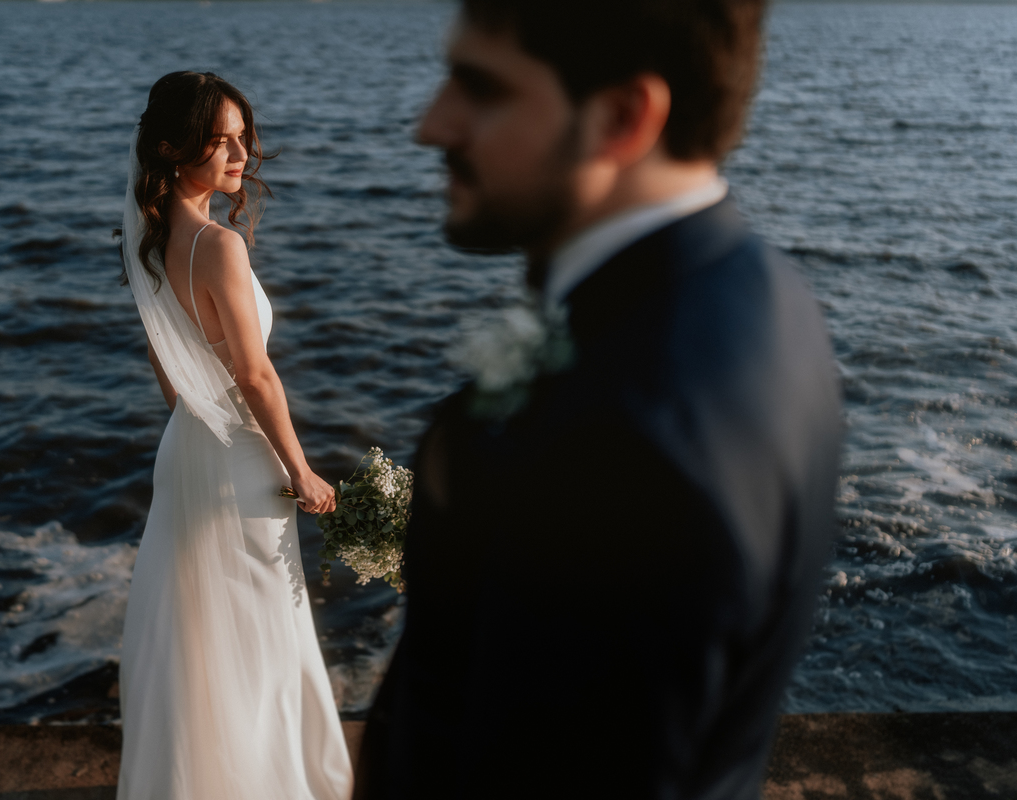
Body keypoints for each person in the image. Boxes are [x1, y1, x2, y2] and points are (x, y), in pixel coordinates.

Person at [356, 2, 843, 798]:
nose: (432, 125)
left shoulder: (629, 451)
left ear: (621, 116)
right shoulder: (763, 293)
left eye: (480, 87)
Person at [116, 71, 352, 800]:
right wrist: (303, 469)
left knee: (197, 634)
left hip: (186, 448)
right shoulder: (219, 246)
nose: (239, 156)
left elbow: (170, 373)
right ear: (170, 148)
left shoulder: (150, 244)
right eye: (218, 142)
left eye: (242, 139)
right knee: (260, 633)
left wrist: (195, 432)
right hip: (244, 461)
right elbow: (257, 376)